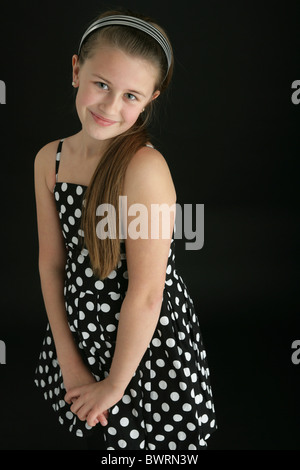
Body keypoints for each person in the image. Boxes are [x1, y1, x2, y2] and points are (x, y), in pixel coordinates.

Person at [34, 9, 217, 450]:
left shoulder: (144, 169)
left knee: (153, 444)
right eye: (102, 84)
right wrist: (69, 361)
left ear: (151, 98)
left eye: (131, 95)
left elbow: (147, 291)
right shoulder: (49, 160)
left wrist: (115, 384)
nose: (110, 107)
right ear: (77, 69)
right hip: (78, 333)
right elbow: (51, 263)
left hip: (142, 342)